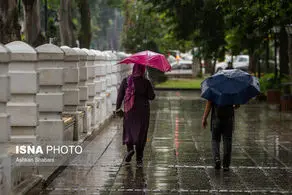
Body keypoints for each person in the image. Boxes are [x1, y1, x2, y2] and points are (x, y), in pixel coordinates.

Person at [115, 64, 155, 167]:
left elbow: (120, 96)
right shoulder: (145, 82)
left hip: (129, 111)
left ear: (134, 69)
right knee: (141, 133)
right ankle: (139, 160)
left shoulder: (126, 81)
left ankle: (130, 150)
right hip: (143, 112)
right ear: (143, 70)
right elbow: (151, 97)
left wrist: (117, 108)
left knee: (129, 130)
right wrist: (148, 83)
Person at [201, 101, 239, 171]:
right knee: (227, 141)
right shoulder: (232, 91)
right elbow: (237, 105)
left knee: (215, 140)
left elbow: (209, 104)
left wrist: (204, 118)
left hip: (216, 118)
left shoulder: (214, 90)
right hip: (229, 119)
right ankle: (226, 165)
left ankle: (217, 159)